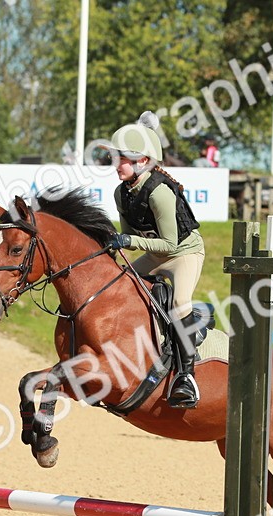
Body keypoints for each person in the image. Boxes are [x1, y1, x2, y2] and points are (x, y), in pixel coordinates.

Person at [106, 112, 204, 409]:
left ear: (143, 161)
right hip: (155, 254)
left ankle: (187, 377)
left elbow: (170, 244)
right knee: (117, 284)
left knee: (180, 304)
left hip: (183, 254)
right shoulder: (121, 194)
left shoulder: (160, 192)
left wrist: (130, 241)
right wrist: (112, 247)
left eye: (122, 158)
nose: (116, 164)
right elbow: (128, 239)